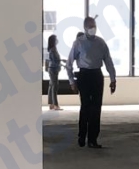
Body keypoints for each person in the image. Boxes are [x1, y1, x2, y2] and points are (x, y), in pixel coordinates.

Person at [68, 18, 117, 148]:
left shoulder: (101, 43)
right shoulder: (79, 43)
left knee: (96, 108)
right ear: (85, 28)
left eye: (94, 26)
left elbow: (108, 61)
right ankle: (82, 135)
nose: (92, 28)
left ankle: (92, 139)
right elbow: (69, 64)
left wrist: (113, 79)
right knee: (85, 106)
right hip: (84, 75)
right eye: (90, 26)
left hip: (97, 75)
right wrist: (72, 82)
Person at [45, 34, 63, 111]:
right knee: (54, 86)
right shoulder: (53, 50)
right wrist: (61, 62)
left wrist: (61, 61)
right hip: (53, 70)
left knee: (51, 85)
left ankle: (51, 104)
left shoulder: (52, 49)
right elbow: (55, 60)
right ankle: (55, 104)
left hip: (52, 69)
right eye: (56, 39)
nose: (57, 41)